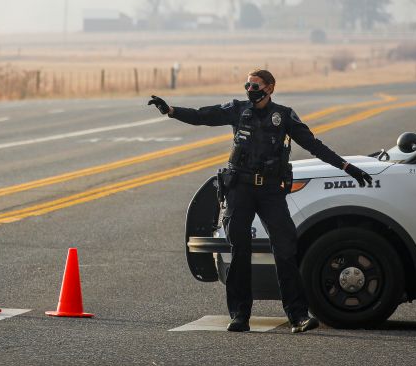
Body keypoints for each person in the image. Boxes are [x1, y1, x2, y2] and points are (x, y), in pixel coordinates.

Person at [147, 68, 372, 333]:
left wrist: (346, 167)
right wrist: (171, 110)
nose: (250, 90)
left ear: (270, 88)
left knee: (286, 250)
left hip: (270, 192)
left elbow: (314, 145)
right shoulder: (237, 110)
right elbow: (202, 116)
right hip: (239, 190)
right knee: (239, 251)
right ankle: (240, 315)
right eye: (248, 85)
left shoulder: (284, 116)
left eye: (256, 86)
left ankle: (298, 316)